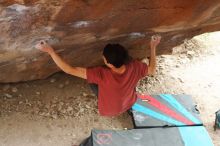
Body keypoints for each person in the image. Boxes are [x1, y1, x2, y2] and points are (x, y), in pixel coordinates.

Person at [36, 35, 161, 116]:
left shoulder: (101, 74)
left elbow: (69, 70)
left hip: (110, 109)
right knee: (130, 83)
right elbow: (152, 70)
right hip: (129, 101)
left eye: (104, 58)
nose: (103, 57)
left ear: (110, 64)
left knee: (91, 81)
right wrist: (153, 47)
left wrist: (50, 51)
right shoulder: (135, 66)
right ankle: (126, 106)